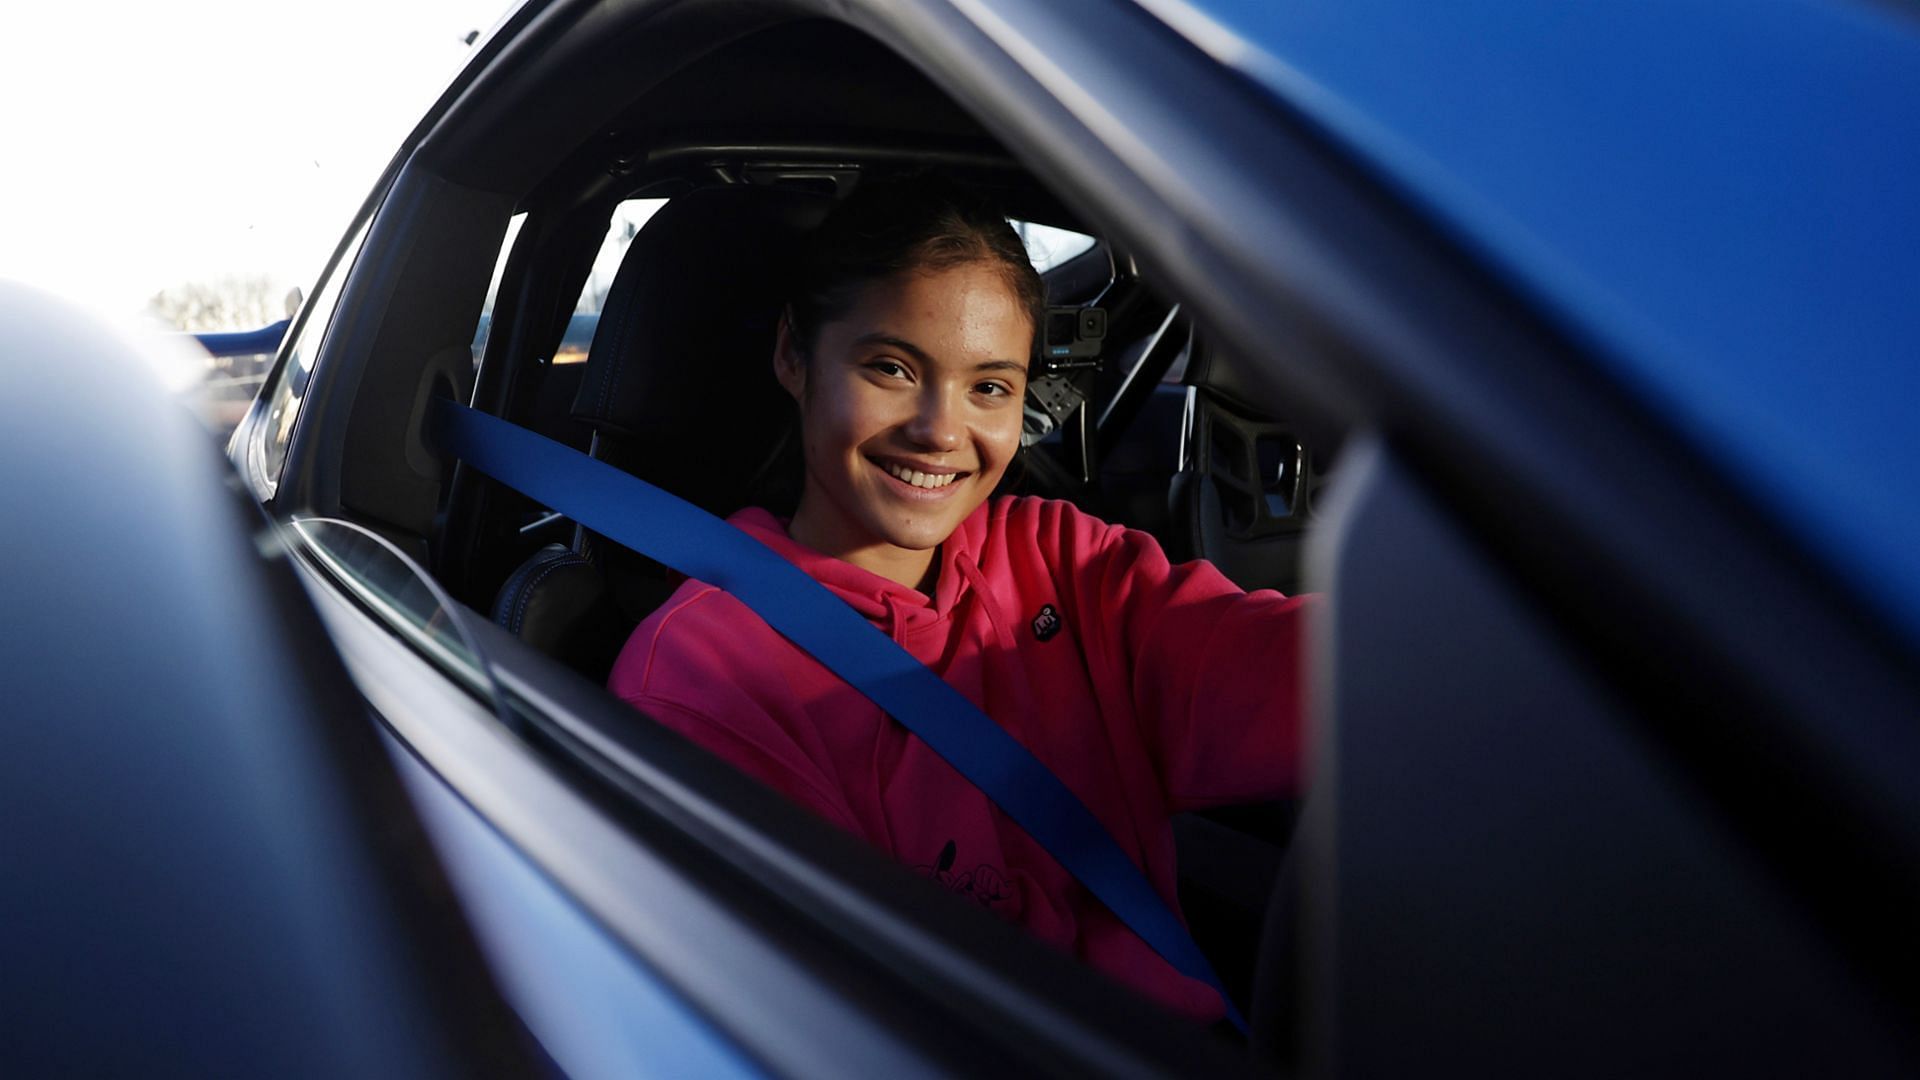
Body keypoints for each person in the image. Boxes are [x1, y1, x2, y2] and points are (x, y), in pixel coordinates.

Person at [607, 178, 1313, 1024]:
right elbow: (828, 1016)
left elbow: (1297, 672)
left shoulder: (1062, 560)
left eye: (990, 387)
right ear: (795, 355)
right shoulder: (702, 675)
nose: (942, 432)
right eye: (892, 368)